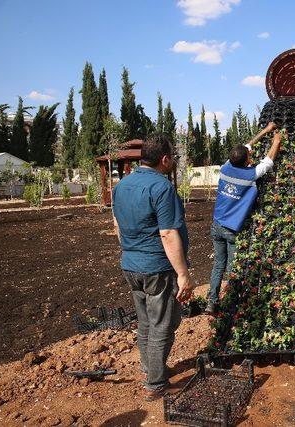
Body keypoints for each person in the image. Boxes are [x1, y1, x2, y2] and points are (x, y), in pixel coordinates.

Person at [112, 133, 193, 400]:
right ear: (165, 159)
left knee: (146, 322)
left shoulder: (122, 185)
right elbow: (168, 233)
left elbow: (117, 225)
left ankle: (151, 368)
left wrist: (130, 252)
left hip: (131, 265)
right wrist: (183, 274)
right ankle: (156, 383)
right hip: (156, 267)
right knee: (163, 324)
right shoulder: (162, 187)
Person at [206, 122, 282, 315]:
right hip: (232, 229)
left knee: (218, 265)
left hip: (216, 225)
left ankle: (212, 302)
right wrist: (277, 140)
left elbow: (246, 146)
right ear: (247, 160)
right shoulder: (251, 175)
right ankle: (232, 305)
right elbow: (269, 160)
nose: (251, 154)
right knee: (233, 267)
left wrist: (264, 131)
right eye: (250, 155)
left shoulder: (225, 168)